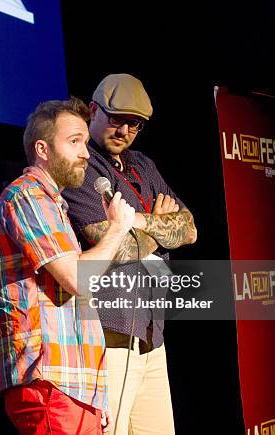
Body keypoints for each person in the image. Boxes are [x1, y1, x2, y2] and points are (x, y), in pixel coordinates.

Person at [0, 97, 137, 434]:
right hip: (50, 386)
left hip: (74, 387)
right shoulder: (26, 196)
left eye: (85, 141)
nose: (85, 152)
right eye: (75, 142)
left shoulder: (55, 205)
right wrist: (116, 228)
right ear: (42, 149)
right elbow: (77, 280)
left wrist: (96, 395)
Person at [62, 73, 197, 435]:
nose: (124, 130)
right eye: (117, 118)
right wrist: (157, 223)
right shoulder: (81, 165)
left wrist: (135, 222)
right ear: (93, 111)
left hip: (152, 337)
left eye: (134, 124)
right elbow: (109, 242)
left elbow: (189, 229)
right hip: (110, 337)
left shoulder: (144, 165)